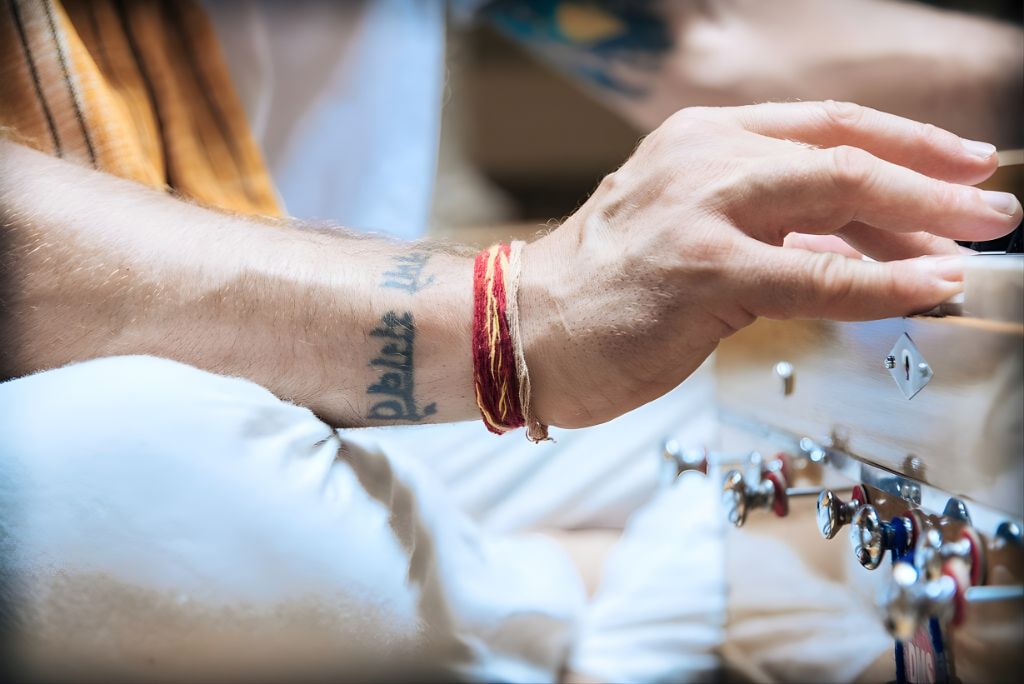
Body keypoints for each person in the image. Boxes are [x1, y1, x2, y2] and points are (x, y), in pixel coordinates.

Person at [1, 1, 1021, 682]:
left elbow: (706, 43)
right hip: (129, 411)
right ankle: (566, 589)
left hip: (389, 421)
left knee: (836, 404)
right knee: (82, 469)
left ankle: (508, 597)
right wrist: (517, 314)